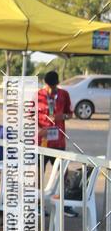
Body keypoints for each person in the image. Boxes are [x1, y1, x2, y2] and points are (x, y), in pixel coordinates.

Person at [38, 69, 76, 216]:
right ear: (44, 83)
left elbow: (70, 114)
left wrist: (62, 116)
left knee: (63, 173)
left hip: (58, 142)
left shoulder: (64, 95)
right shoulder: (38, 96)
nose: (50, 89)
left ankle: (64, 203)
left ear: (57, 84)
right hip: (41, 142)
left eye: (53, 87)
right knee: (38, 173)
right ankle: (38, 204)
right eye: (48, 86)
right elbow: (29, 116)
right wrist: (39, 129)